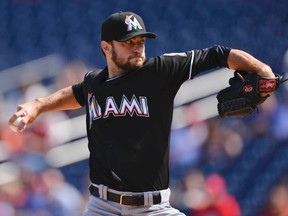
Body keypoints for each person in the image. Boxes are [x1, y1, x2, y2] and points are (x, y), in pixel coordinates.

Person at [9, 11, 275, 216]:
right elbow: (76, 93)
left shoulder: (160, 71)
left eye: (141, 41)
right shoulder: (95, 83)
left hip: (153, 207)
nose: (137, 47)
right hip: (103, 207)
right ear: (106, 48)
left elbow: (219, 55)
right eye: (128, 42)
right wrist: (38, 105)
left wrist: (262, 69)